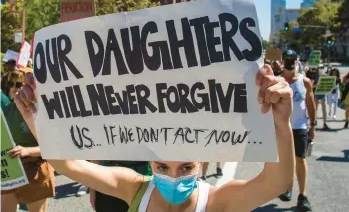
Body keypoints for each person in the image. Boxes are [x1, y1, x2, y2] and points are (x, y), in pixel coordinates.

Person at [15, 66, 295, 212]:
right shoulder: (135, 188)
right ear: (150, 162)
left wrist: (280, 124)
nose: (173, 178)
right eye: (162, 168)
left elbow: (277, 183)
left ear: (202, 162)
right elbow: (70, 165)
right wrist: (39, 121)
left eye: (186, 168)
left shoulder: (218, 201)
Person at [1, 70, 55, 212]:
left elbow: (53, 146)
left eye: (18, 83)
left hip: (35, 169)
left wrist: (27, 151)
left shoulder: (41, 110)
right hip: (12, 169)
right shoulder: (6, 111)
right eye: (10, 84)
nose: (14, 87)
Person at [279, 50, 316, 212]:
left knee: (300, 159)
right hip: (281, 127)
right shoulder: (278, 80)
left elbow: (310, 103)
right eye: (286, 59)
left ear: (296, 61)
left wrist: (313, 126)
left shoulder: (305, 82)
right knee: (284, 160)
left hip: (299, 127)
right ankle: (287, 187)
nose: (289, 62)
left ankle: (303, 195)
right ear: (282, 61)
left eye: (292, 59)